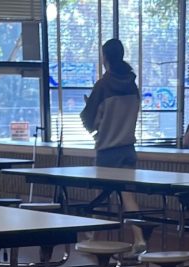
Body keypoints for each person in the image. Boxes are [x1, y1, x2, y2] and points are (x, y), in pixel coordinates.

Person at [80, 38, 146, 253]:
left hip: (107, 150)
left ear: (105, 57)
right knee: (128, 197)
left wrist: (90, 108)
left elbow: (89, 121)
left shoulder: (103, 85)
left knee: (101, 196)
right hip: (127, 149)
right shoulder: (132, 85)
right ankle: (139, 238)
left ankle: (91, 237)